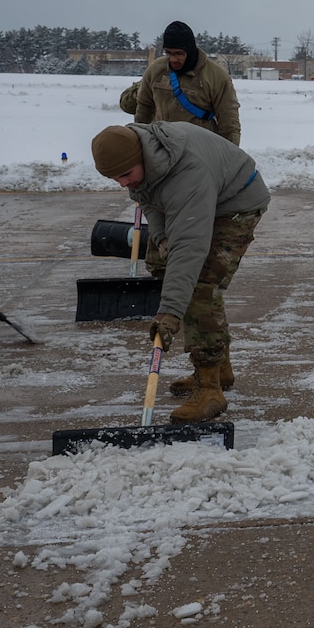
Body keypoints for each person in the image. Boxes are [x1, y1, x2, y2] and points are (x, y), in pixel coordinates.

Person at [91, 122, 270, 423]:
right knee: (168, 268)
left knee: (200, 287)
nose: (122, 184)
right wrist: (161, 238)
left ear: (142, 159)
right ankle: (220, 368)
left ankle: (210, 388)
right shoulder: (144, 164)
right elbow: (149, 200)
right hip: (209, 194)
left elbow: (189, 249)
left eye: (124, 175)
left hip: (237, 204)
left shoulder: (186, 175)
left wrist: (170, 314)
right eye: (114, 178)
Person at [120, 21, 242, 145]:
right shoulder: (156, 70)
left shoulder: (216, 77)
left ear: (190, 51)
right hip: (160, 146)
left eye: (179, 54)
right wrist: (140, 144)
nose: (173, 59)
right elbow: (144, 108)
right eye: (168, 53)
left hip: (199, 149)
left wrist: (230, 159)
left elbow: (229, 125)